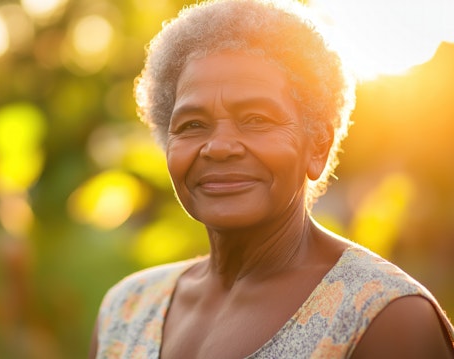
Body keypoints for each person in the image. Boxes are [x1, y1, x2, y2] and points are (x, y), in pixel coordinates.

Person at [89, 0, 454, 357]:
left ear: (317, 147)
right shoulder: (126, 310)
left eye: (257, 120)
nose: (219, 147)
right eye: (192, 124)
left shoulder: (385, 318)